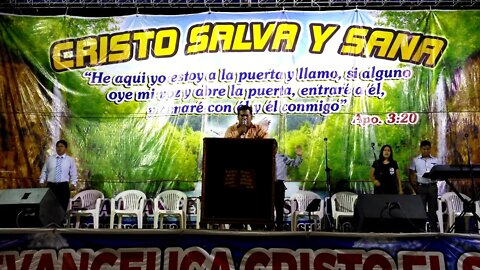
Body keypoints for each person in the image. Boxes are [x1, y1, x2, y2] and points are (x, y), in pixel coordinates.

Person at [409, 140, 439, 232]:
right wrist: (414, 188)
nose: (426, 151)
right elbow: (411, 174)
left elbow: (439, 172)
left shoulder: (435, 160)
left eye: (428, 149)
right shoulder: (415, 160)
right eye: (424, 149)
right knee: (421, 209)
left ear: (430, 149)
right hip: (421, 187)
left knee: (432, 209)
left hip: (432, 186)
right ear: (421, 149)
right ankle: (420, 230)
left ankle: (433, 229)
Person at [39, 140, 78, 212]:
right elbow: (44, 171)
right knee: (49, 207)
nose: (59, 148)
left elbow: (73, 173)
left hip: (63, 186)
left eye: (61, 146)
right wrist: (42, 181)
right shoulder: (50, 159)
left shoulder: (70, 160)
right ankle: (50, 223)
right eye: (57, 146)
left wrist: (73, 184)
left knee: (62, 208)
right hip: (51, 186)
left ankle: (60, 223)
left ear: (65, 148)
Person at [274, 143, 303, 231]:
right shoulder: (264, 157)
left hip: (278, 184)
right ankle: (267, 227)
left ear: (276, 148)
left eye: (274, 147)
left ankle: (279, 228)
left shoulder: (282, 157)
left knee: (279, 208)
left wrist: (298, 155)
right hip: (267, 185)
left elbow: (295, 164)